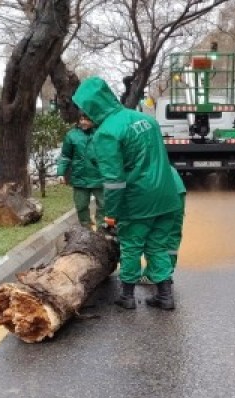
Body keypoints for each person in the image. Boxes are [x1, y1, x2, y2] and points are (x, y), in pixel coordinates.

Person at [71, 76, 186, 311]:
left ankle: (127, 296)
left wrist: (111, 215)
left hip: (138, 201)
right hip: (167, 196)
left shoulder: (107, 133)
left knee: (131, 246)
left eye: (84, 107)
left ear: (92, 105)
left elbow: (114, 182)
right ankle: (165, 296)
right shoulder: (146, 120)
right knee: (158, 246)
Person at [55, 112, 105, 231]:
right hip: (79, 177)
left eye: (86, 119)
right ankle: (86, 230)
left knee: (104, 205)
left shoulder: (102, 133)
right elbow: (66, 156)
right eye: (81, 119)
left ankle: (102, 229)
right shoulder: (72, 135)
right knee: (81, 206)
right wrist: (61, 172)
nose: (83, 122)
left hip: (99, 177)